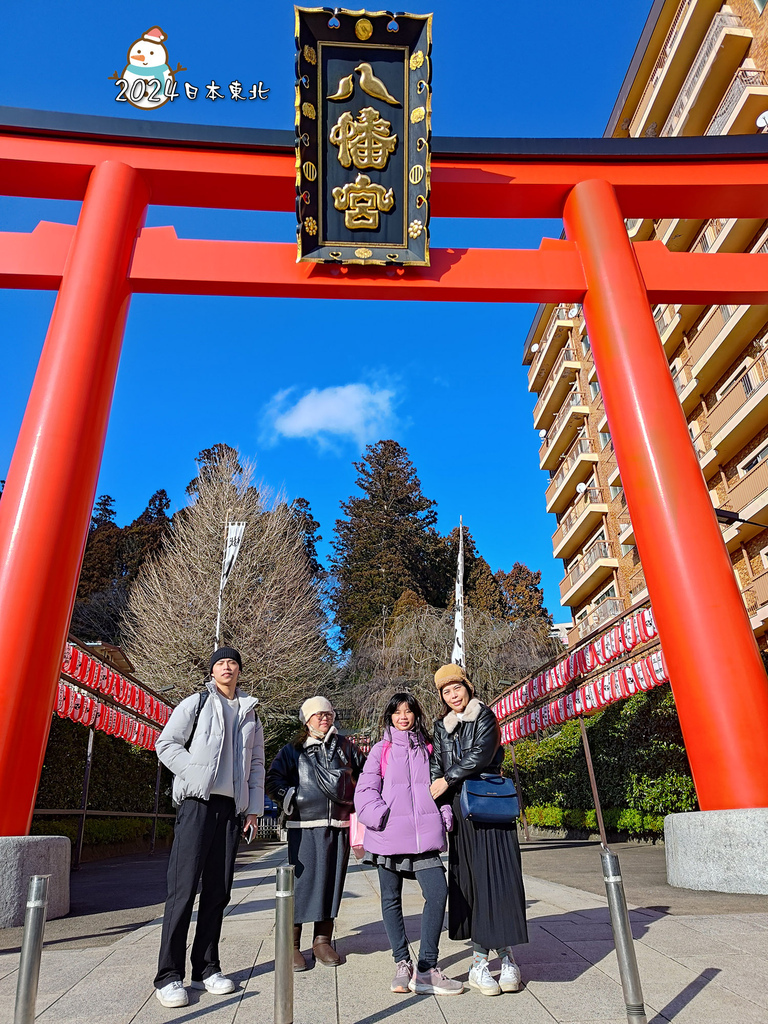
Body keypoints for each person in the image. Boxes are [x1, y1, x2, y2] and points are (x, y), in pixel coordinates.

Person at [152, 647, 265, 1008]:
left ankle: (206, 968)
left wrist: (252, 809)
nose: (227, 667)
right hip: (196, 805)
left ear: (240, 670)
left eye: (233, 662)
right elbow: (165, 744)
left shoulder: (250, 712)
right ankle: (168, 976)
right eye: (221, 663)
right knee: (182, 891)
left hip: (231, 810)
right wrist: (195, 772)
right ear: (212, 671)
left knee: (219, 892)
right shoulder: (196, 703)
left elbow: (258, 764)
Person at [354, 692, 463, 996]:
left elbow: (438, 787)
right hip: (389, 835)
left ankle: (426, 967)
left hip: (424, 835)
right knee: (391, 899)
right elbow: (364, 791)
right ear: (389, 716)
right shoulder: (381, 749)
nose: (403, 717)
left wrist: (442, 814)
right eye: (397, 712)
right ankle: (402, 962)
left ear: (416, 715)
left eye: (408, 711)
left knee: (438, 892)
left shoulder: (428, 748)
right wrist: (382, 816)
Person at [430, 663, 527, 997]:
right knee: (471, 882)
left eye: (456, 688)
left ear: (467, 687)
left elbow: (481, 755)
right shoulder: (440, 726)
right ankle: (482, 961)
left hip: (489, 805)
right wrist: (438, 789)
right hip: (460, 811)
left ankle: (503, 957)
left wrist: (446, 779)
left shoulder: (484, 716)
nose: (453, 695)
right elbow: (436, 764)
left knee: (500, 878)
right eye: (446, 691)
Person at [266, 696, 364, 970]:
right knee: (302, 883)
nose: (324, 718)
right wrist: (294, 797)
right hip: (304, 827)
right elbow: (273, 780)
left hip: (339, 825)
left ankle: (322, 941)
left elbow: (368, 773)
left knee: (331, 882)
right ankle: (292, 944)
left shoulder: (346, 748)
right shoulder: (292, 750)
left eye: (328, 714)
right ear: (307, 720)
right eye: (318, 715)